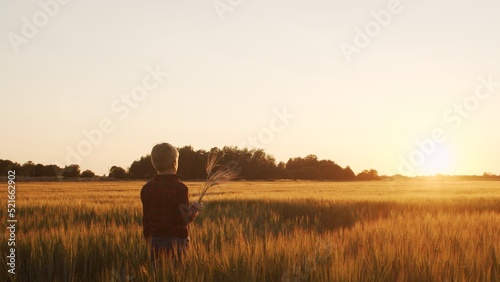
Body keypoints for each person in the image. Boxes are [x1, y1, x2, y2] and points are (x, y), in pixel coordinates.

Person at [140, 142, 203, 270]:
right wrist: (195, 209)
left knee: (158, 275)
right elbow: (183, 219)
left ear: (154, 163)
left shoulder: (147, 188)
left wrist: (149, 239)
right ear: (175, 163)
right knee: (177, 274)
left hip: (155, 240)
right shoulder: (180, 188)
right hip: (177, 242)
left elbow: (146, 218)